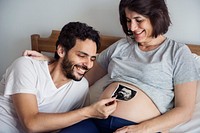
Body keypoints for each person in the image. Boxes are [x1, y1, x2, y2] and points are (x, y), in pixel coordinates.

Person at [24, 0, 199, 132]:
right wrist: (52, 62)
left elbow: (184, 110)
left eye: (138, 20)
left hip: (135, 127)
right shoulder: (122, 46)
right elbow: (83, 75)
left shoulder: (178, 52)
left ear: (156, 16)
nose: (132, 27)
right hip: (95, 119)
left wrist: (140, 130)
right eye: (128, 20)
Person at [0, 22, 117, 133]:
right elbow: (30, 123)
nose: (88, 65)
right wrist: (90, 112)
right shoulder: (26, 66)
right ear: (61, 51)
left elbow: (64, 123)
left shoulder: (80, 87)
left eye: (92, 58)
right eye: (82, 55)